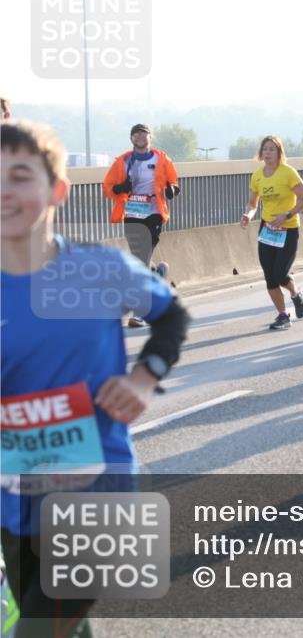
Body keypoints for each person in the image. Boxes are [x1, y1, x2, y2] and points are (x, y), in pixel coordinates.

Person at [2, 120, 190, 638]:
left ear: (56, 190)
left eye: (19, 175)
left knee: (37, 633)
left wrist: (144, 378)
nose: (4, 191)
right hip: (14, 500)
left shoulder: (101, 269)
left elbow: (171, 315)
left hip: (97, 494)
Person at [101, 124, 181, 327]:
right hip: (132, 213)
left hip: (154, 213)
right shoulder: (123, 160)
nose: (139, 136)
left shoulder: (162, 159)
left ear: (150, 137)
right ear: (131, 139)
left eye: (143, 133)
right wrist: (120, 187)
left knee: (140, 260)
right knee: (140, 258)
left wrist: (172, 189)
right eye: (135, 134)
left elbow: (174, 181)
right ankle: (156, 274)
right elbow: (108, 188)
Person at [240, 135, 303, 330]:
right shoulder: (257, 175)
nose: (267, 153)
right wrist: (248, 214)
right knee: (269, 275)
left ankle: (296, 294)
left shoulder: (288, 172)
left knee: (280, 273)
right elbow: (253, 203)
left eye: (272, 149)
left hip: (287, 228)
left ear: (279, 152)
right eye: (265, 149)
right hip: (267, 228)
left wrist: (287, 215)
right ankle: (283, 315)